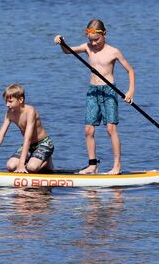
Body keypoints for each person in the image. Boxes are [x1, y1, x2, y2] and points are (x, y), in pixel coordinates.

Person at [54, 19, 135, 175]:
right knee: (88, 130)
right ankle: (92, 165)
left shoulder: (114, 51)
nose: (94, 43)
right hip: (93, 91)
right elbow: (68, 51)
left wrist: (130, 91)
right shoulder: (87, 48)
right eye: (91, 40)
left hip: (109, 92)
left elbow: (130, 71)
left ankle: (117, 166)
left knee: (111, 129)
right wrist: (62, 42)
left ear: (104, 34)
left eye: (97, 40)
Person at [0, 84, 55, 173]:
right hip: (29, 146)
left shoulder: (30, 111)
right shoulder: (9, 114)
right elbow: (0, 136)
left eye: (10, 101)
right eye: (6, 101)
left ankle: (46, 162)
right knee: (10, 166)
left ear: (21, 100)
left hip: (44, 144)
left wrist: (21, 164)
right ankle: (33, 159)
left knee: (31, 168)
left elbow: (27, 137)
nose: (7, 104)